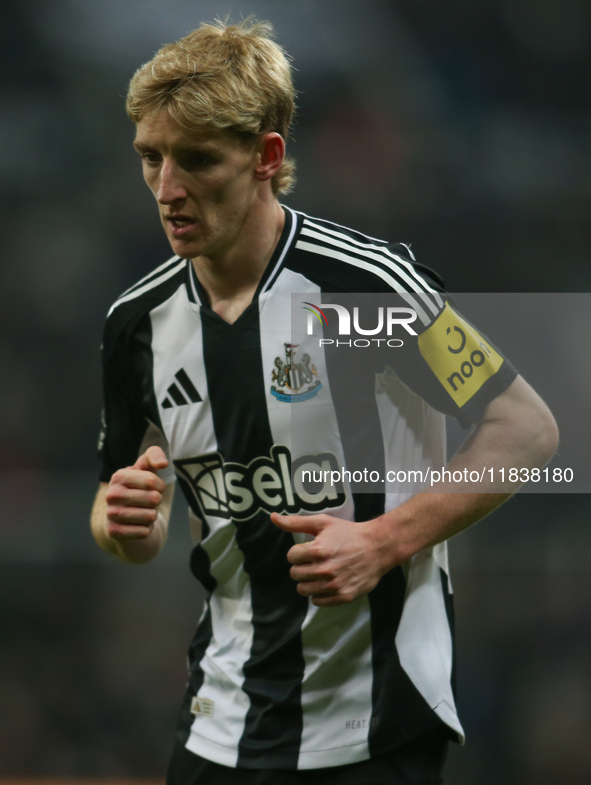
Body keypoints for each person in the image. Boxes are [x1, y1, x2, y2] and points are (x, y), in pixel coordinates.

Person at [91, 18, 558, 785]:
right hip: (220, 723)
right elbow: (126, 528)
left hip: (374, 728)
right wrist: (122, 518)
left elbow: (528, 431)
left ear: (266, 157)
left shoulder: (361, 287)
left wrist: (384, 539)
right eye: (151, 157)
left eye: (198, 159)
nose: (167, 189)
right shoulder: (134, 324)